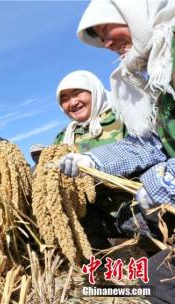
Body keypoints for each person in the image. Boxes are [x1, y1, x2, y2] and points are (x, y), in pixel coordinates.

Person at [60, 1, 174, 302]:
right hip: (140, 211)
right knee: (157, 283)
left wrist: (165, 178)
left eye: (106, 29)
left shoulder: (166, 61)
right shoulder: (155, 75)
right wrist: (92, 160)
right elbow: (150, 143)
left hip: (148, 206)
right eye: (98, 37)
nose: (106, 43)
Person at [54, 70, 129, 248]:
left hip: (135, 208)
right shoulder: (64, 136)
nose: (72, 102)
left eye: (77, 93)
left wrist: (94, 163)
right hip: (96, 220)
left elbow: (143, 150)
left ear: (94, 90)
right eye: (64, 98)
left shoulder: (122, 116)